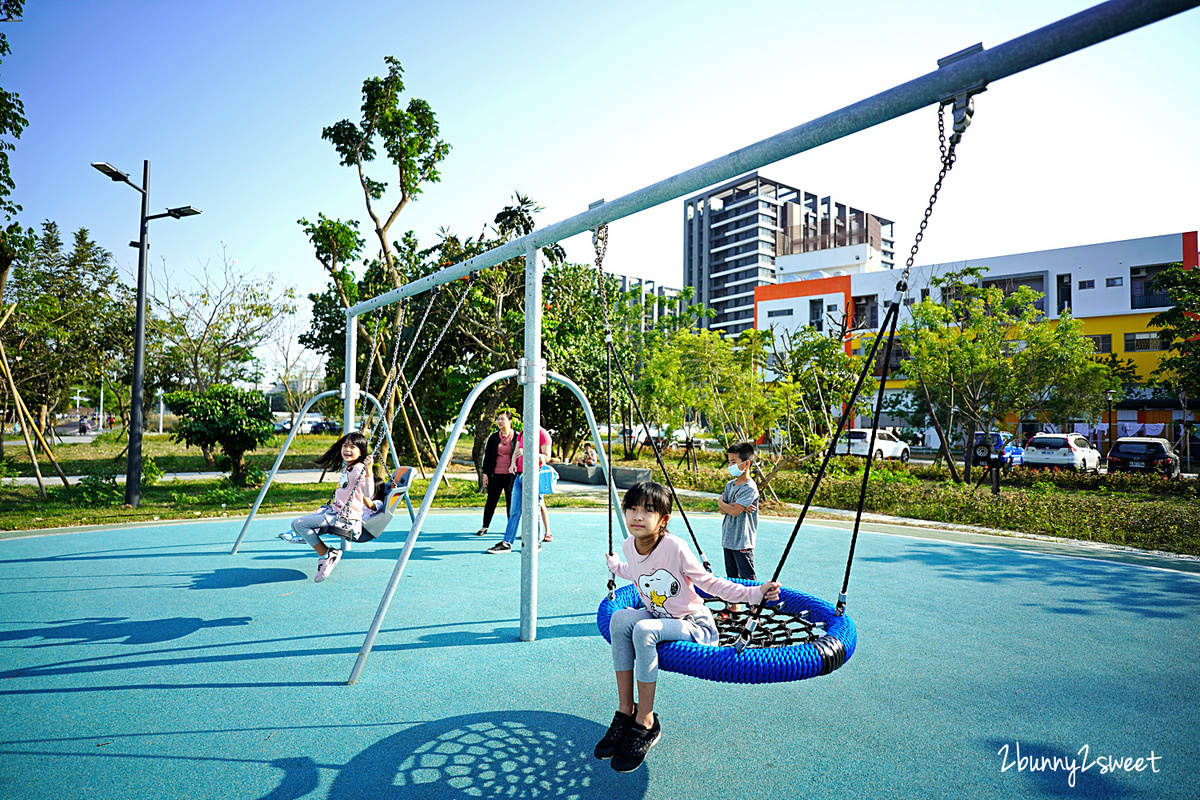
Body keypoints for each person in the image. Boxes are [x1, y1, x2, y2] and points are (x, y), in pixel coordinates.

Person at [596, 481, 780, 773]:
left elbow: (709, 583)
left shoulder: (675, 547)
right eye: (631, 508)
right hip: (660, 616)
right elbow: (638, 572)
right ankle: (624, 711)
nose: (637, 516)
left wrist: (755, 593)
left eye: (648, 510)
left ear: (664, 520)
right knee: (620, 619)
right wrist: (616, 566)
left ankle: (646, 720)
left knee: (644, 630)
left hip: (694, 625)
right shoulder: (628, 545)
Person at [277, 432, 372, 582]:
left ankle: (326, 554)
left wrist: (369, 471)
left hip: (345, 518)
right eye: (345, 446)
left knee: (298, 524)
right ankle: (313, 541)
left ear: (361, 451)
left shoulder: (359, 468)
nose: (347, 449)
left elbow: (369, 492)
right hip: (335, 511)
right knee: (298, 526)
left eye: (352, 447)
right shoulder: (349, 467)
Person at [486, 421, 552, 552]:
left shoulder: (542, 434)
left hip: (534, 476)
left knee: (535, 509)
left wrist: (528, 453)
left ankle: (536, 541)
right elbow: (517, 450)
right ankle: (506, 543)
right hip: (519, 476)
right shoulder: (522, 433)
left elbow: (547, 457)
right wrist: (512, 464)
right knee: (514, 511)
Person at [718, 441, 759, 584]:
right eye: (729, 462)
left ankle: (752, 606)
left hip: (742, 542)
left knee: (747, 579)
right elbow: (723, 511)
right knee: (731, 579)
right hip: (728, 539)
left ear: (746, 463)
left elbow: (734, 511)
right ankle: (734, 607)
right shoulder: (730, 485)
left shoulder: (750, 487)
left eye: (734, 462)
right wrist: (730, 506)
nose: (730, 466)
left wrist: (721, 502)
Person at [477, 410, 517, 536]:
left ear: (510, 421)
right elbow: (487, 457)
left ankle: (510, 528)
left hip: (512, 475)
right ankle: (485, 526)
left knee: (511, 502)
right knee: (491, 501)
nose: (499, 421)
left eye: (502, 419)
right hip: (495, 474)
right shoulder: (493, 437)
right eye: (498, 419)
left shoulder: (517, 437)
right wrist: (485, 474)